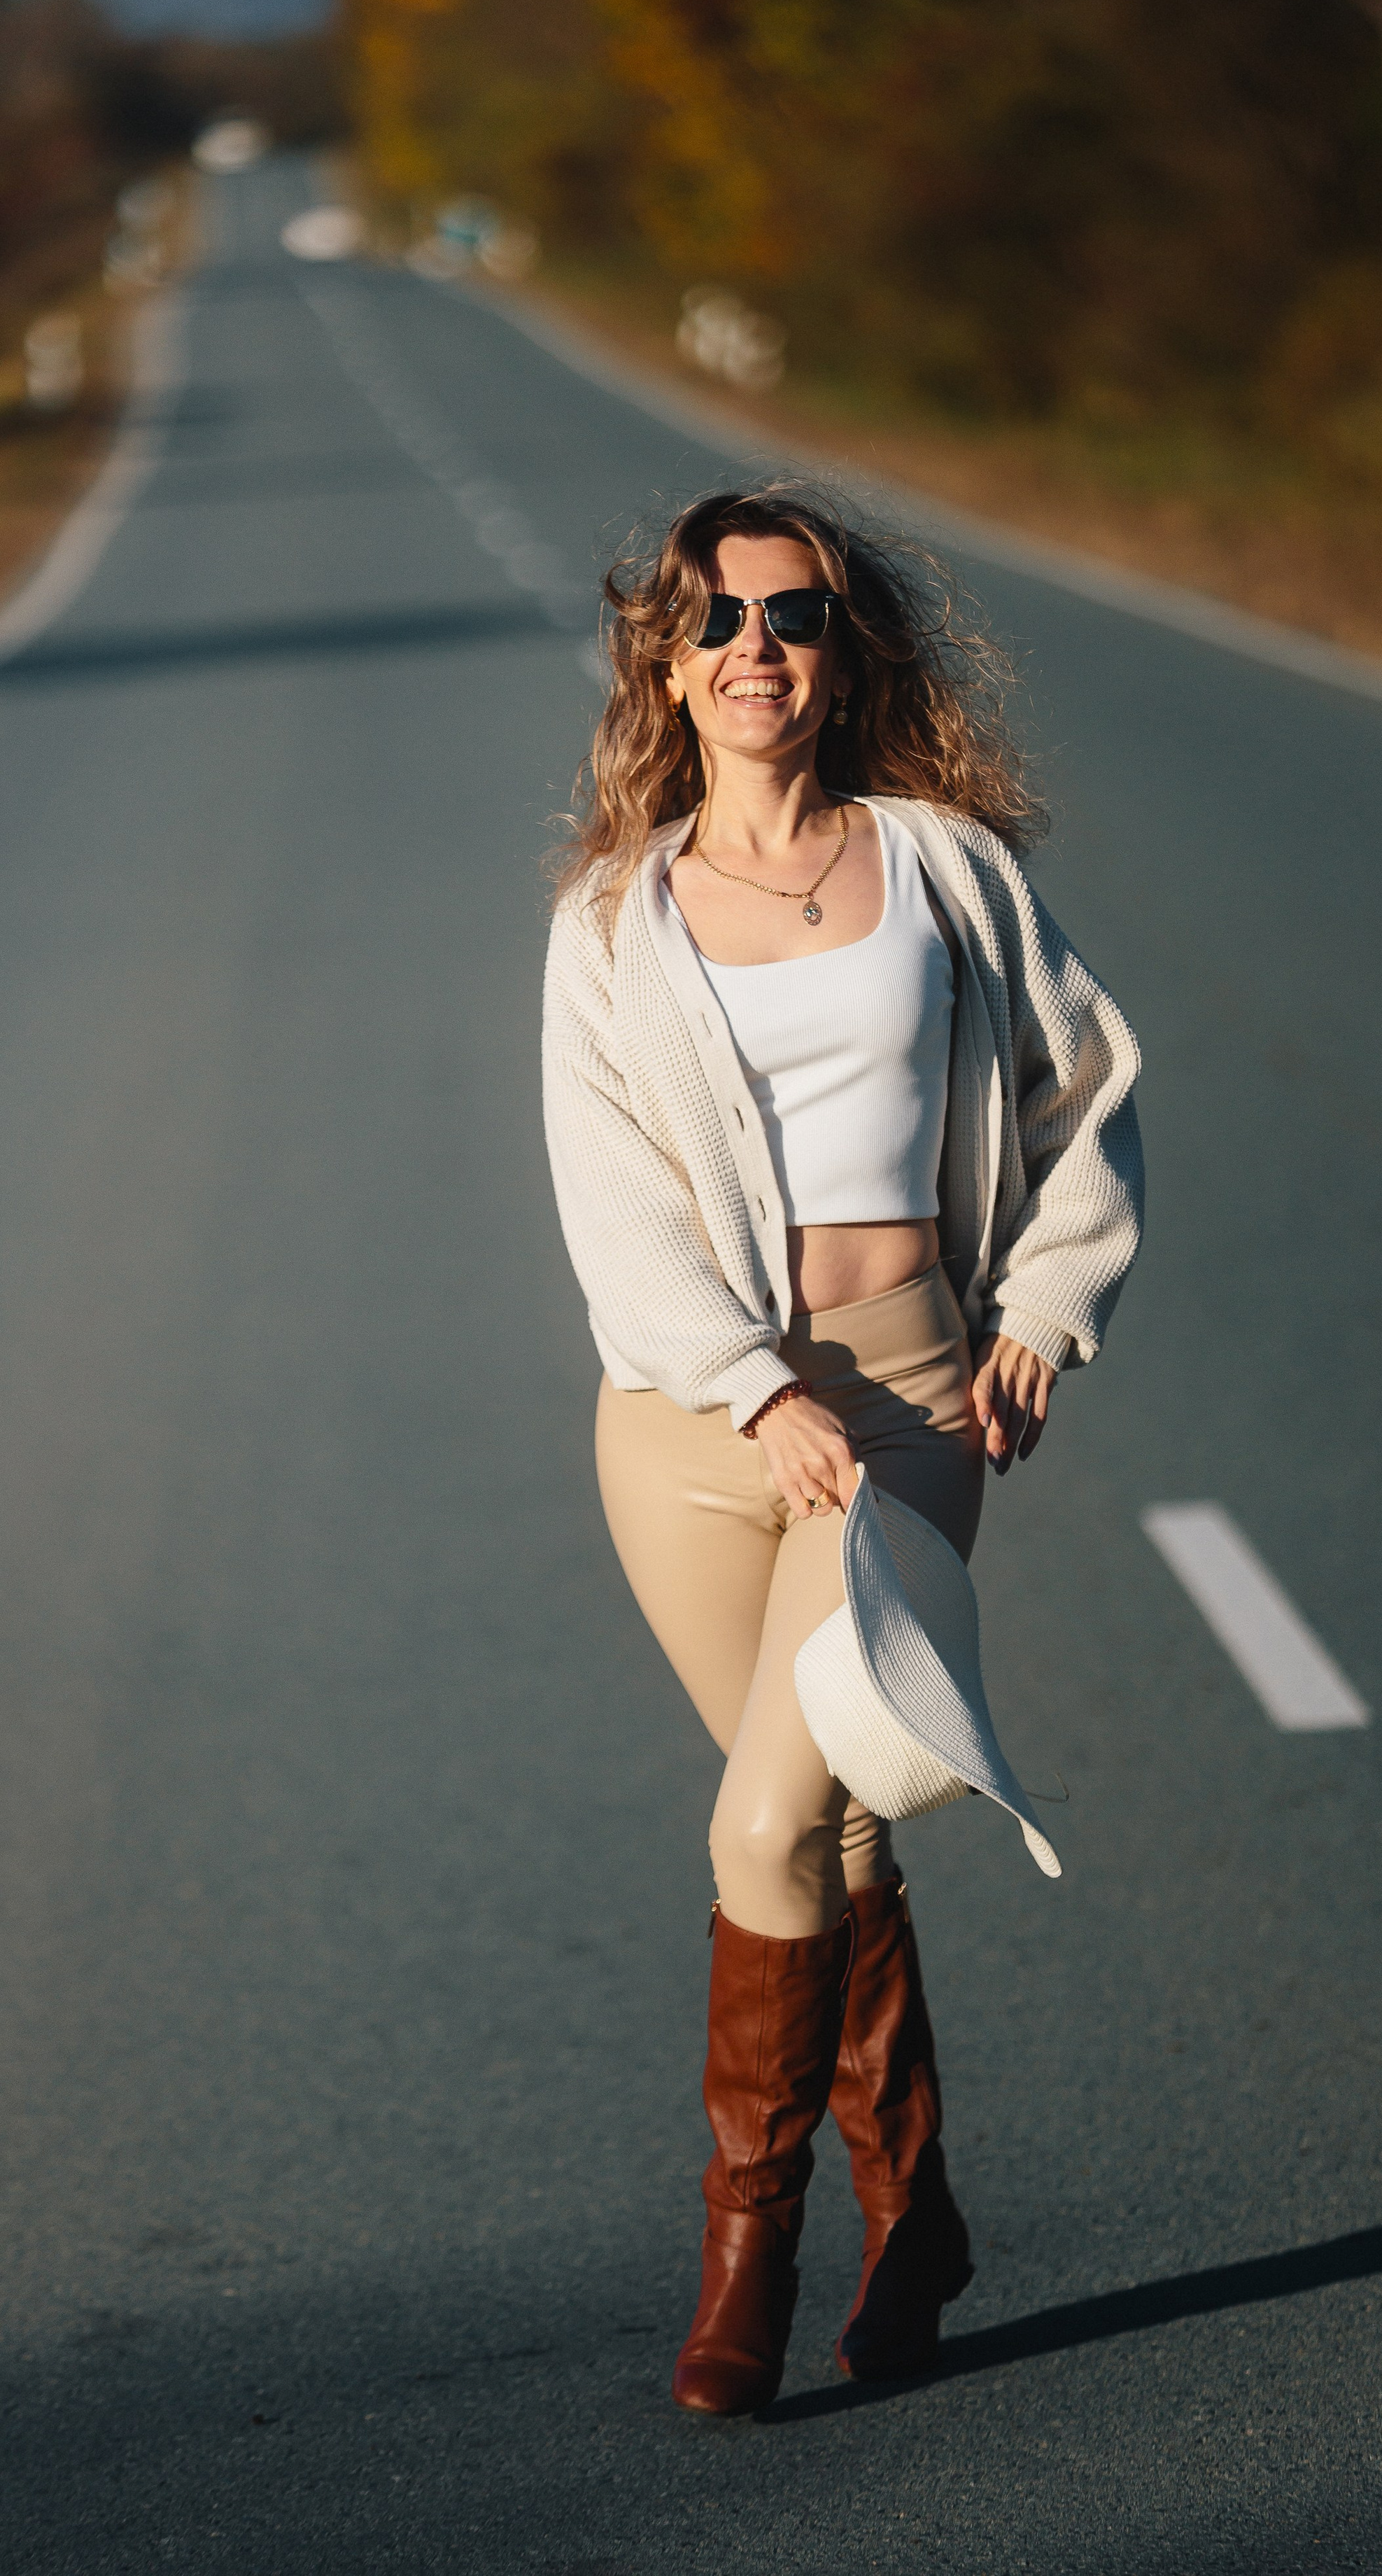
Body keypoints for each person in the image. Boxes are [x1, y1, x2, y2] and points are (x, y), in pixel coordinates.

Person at [542, 484, 1143, 2416]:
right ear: (664, 656)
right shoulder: (612, 929)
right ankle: (922, 2222)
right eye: (713, 618)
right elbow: (616, 1208)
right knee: (832, 1818)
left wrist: (1045, 1310)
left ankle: (750, 2263)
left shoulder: (943, 870)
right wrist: (747, 1386)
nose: (752, 649)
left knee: (755, 1826)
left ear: (842, 644)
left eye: (790, 614)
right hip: (690, 1429)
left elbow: (1090, 1097)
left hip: (898, 1396)